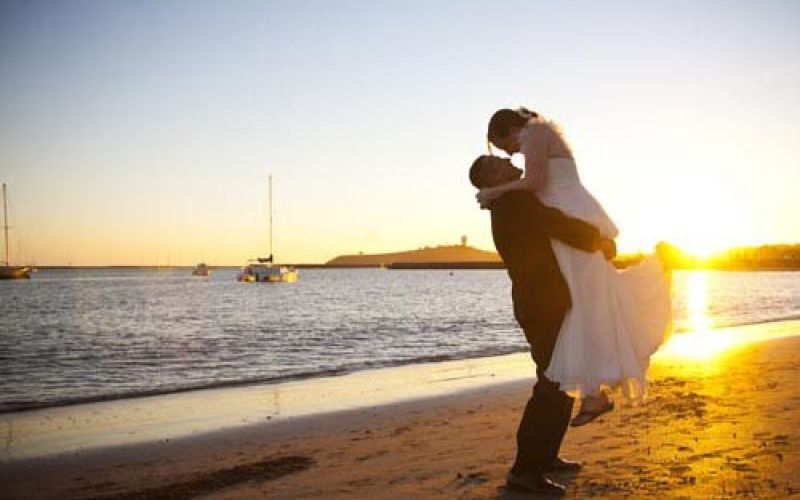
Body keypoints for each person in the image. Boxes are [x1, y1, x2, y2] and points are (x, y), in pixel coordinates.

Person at [480, 107, 671, 425]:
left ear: (510, 128)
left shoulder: (537, 134)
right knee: (587, 302)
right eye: (502, 154)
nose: (511, 155)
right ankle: (594, 393)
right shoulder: (531, 151)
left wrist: (495, 190)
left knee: (588, 299)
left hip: (569, 212)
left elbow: (536, 181)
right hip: (565, 215)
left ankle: (594, 393)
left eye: (505, 147)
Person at [469, 155, 616, 494]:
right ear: (491, 178)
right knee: (551, 383)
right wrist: (599, 240)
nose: (507, 161)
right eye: (497, 163)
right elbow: (556, 224)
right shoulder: (514, 199)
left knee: (561, 378)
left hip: (543, 300)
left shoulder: (508, 201)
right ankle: (524, 471)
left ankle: (546, 457)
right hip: (542, 304)